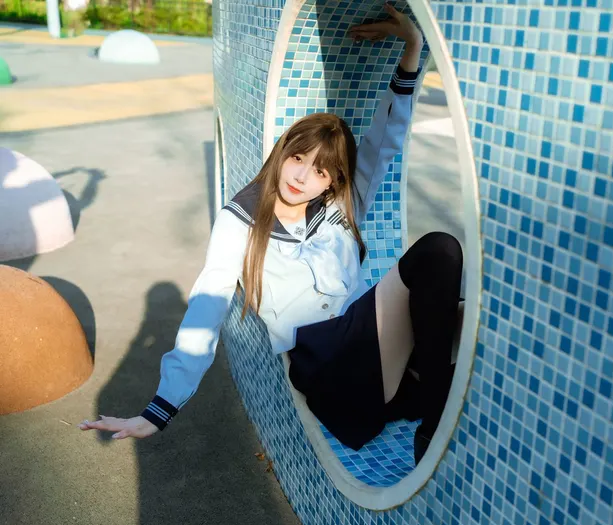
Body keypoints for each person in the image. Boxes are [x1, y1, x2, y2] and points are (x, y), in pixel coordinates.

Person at [79, 2, 462, 465]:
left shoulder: (341, 207)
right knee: (438, 252)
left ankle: (422, 399)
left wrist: (413, 47)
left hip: (369, 356)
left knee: (461, 320)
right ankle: (431, 419)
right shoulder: (241, 220)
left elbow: (386, 138)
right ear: (283, 154)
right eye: (298, 158)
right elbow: (206, 306)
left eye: (320, 170)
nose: (301, 176)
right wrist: (160, 409)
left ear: (333, 181)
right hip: (328, 365)